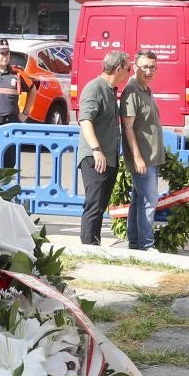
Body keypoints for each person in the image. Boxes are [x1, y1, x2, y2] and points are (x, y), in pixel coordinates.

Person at [78, 51, 130, 246]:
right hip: (95, 158)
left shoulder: (110, 89)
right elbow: (85, 120)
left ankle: (94, 244)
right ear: (118, 69)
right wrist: (96, 150)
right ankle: (88, 248)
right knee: (94, 204)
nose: (129, 73)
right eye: (128, 68)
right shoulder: (94, 88)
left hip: (108, 157)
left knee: (100, 205)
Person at [119, 51, 164, 251]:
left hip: (150, 157)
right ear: (135, 67)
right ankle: (146, 245)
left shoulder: (145, 89)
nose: (149, 71)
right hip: (142, 158)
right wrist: (137, 157)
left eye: (152, 67)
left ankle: (136, 244)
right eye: (144, 67)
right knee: (149, 202)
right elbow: (127, 127)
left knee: (138, 201)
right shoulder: (132, 91)